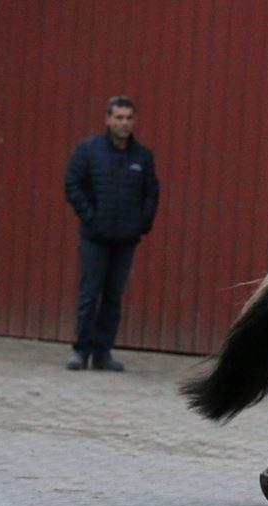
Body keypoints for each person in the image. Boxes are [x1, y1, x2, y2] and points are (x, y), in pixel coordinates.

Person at [63, 95, 160, 371]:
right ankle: (81, 351)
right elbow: (72, 184)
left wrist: (141, 223)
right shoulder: (89, 150)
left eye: (129, 118)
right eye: (119, 117)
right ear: (107, 119)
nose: (124, 123)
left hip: (125, 239)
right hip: (95, 236)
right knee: (89, 293)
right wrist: (90, 217)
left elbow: (151, 193)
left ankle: (103, 353)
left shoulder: (142, 157)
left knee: (113, 297)